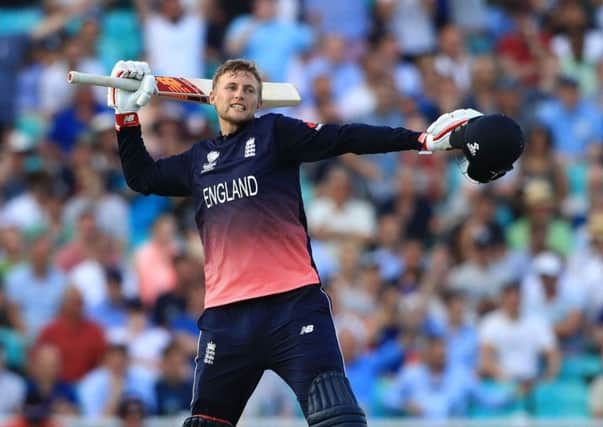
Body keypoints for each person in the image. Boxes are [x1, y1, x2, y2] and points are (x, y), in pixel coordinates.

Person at [106, 58, 489, 427]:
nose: (239, 94)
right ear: (213, 98)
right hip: (226, 319)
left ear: (259, 101)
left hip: (293, 308)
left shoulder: (275, 133)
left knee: (337, 418)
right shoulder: (197, 161)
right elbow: (142, 178)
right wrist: (126, 117)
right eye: (231, 87)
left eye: (249, 90)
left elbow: (344, 137)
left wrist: (419, 139)